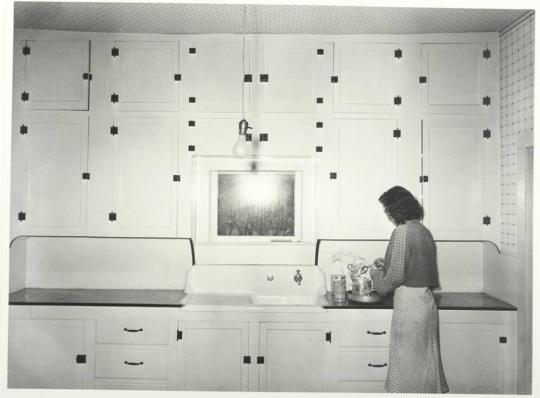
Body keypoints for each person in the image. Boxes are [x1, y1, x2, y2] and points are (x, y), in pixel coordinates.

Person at [370, 186, 449, 393]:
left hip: (409, 305)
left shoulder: (402, 231)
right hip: (425, 303)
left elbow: (395, 278)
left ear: (396, 208)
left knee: (406, 366)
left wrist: (375, 274)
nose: (386, 214)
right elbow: (412, 264)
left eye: (387, 209)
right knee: (423, 364)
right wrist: (385, 264)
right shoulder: (423, 230)